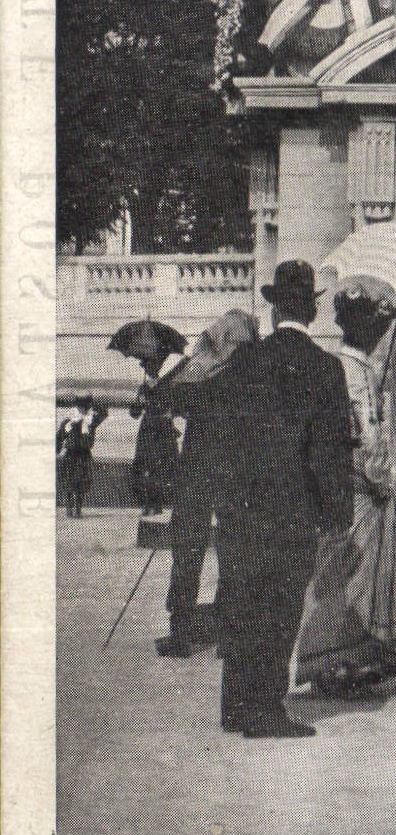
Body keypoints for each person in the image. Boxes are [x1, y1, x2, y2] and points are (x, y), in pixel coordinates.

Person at [209, 261, 355, 739]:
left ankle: (235, 704)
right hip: (293, 506)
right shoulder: (326, 368)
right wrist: (338, 513)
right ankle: (265, 709)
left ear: (274, 312)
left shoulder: (244, 362)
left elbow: (222, 431)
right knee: (279, 605)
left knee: (240, 598)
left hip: (241, 504)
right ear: (311, 313)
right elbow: (330, 449)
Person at [294, 290, 396, 699]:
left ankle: (346, 659)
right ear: (368, 331)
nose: (383, 336)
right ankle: (339, 660)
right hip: (359, 486)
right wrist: (383, 479)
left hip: (347, 481)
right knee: (355, 574)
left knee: (348, 572)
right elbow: (365, 438)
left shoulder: (353, 367)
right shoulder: (354, 372)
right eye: (379, 329)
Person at [156, 310, 259, 659]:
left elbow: (171, 399)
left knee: (187, 547)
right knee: (234, 550)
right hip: (236, 471)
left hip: (197, 469)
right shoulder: (251, 375)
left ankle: (181, 630)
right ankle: (228, 634)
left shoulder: (201, 372)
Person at [129, 357, 179, 515]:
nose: (152, 370)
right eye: (149, 368)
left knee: (160, 467)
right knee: (145, 466)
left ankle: (156, 504)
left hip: (162, 429)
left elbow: (173, 407)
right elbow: (134, 413)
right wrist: (139, 402)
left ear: (158, 368)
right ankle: (146, 503)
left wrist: (167, 413)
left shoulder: (165, 386)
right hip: (148, 430)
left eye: (155, 367)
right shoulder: (143, 388)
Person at [56, 395, 108, 518]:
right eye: (81, 407)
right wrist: (57, 448)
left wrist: (94, 403)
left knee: (81, 484)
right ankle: (69, 509)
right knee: (69, 483)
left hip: (84, 454)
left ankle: (78, 510)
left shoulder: (91, 420)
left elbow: (104, 413)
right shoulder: (69, 421)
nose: (83, 410)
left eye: (86, 407)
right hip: (71, 454)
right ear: (77, 407)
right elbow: (60, 435)